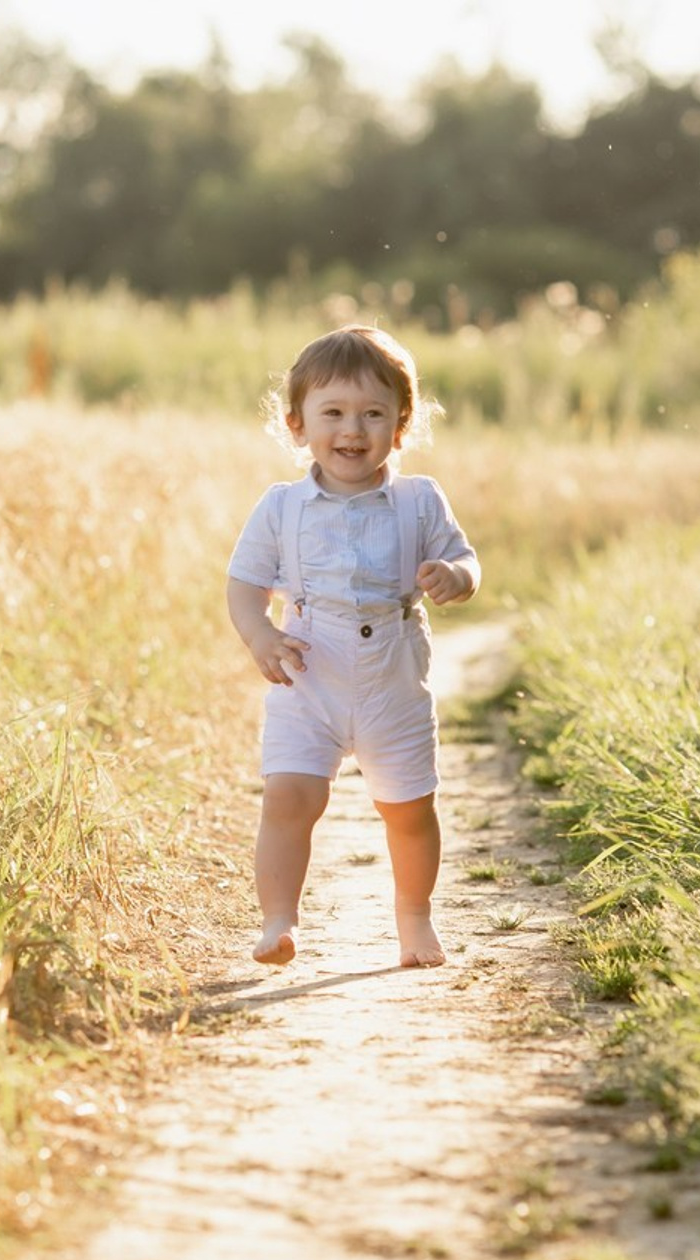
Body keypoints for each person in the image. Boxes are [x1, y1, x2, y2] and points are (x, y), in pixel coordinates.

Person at [226, 324, 481, 968]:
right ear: (297, 425)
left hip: (392, 676)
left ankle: (415, 917)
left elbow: (465, 559)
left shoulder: (418, 501)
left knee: (409, 808)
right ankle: (278, 920)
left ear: (401, 424)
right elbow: (244, 584)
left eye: (373, 413)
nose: (353, 430)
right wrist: (261, 636)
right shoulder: (282, 507)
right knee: (289, 799)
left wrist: (453, 577)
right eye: (333, 413)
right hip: (307, 672)